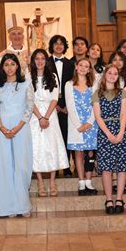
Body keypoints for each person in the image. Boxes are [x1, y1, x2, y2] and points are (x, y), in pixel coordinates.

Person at [0, 54, 35, 217]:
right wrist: (2, 127)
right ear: (2, 68)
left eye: (12, 64)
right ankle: (8, 206)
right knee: (5, 166)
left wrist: (17, 127)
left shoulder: (26, 84)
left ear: (17, 66)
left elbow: (29, 108)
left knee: (22, 166)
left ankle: (22, 204)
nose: (9, 67)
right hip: (2, 130)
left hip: (21, 129)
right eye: (6, 64)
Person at [93, 65, 126, 214]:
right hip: (105, 132)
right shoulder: (97, 94)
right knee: (106, 168)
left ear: (118, 76)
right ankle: (109, 199)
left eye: (115, 73)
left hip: (121, 131)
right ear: (105, 75)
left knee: (122, 166)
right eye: (110, 73)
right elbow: (98, 117)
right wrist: (109, 134)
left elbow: (123, 114)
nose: (112, 75)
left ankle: (119, 198)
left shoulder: (122, 92)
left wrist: (120, 133)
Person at [30, 49, 69, 197]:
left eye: (42, 59)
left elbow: (54, 98)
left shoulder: (52, 76)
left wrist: (46, 117)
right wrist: (39, 117)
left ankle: (52, 181)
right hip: (34, 115)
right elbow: (29, 100)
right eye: (37, 59)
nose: (40, 61)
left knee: (52, 145)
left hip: (50, 113)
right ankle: (40, 181)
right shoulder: (28, 77)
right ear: (33, 61)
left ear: (46, 61)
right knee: (36, 147)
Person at [65, 58, 98, 196]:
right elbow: (70, 105)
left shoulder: (94, 85)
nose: (84, 68)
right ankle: (81, 182)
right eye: (81, 65)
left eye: (87, 66)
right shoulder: (69, 84)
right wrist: (79, 125)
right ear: (76, 67)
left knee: (90, 152)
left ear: (90, 69)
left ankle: (89, 182)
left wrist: (90, 122)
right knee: (78, 153)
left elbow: (96, 104)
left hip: (91, 123)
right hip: (75, 125)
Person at [47, 35, 75, 178]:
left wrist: (66, 106)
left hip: (66, 105)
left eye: (61, 44)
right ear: (51, 46)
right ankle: (53, 166)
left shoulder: (71, 64)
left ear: (64, 46)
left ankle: (66, 166)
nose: (58, 46)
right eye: (55, 44)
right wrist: (54, 105)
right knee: (52, 136)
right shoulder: (45, 63)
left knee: (65, 135)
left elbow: (73, 85)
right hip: (49, 105)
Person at [108, 51, 126, 192]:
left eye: (120, 60)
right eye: (114, 59)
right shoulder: (108, 77)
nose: (117, 62)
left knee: (124, 149)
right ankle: (114, 179)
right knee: (112, 150)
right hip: (110, 117)